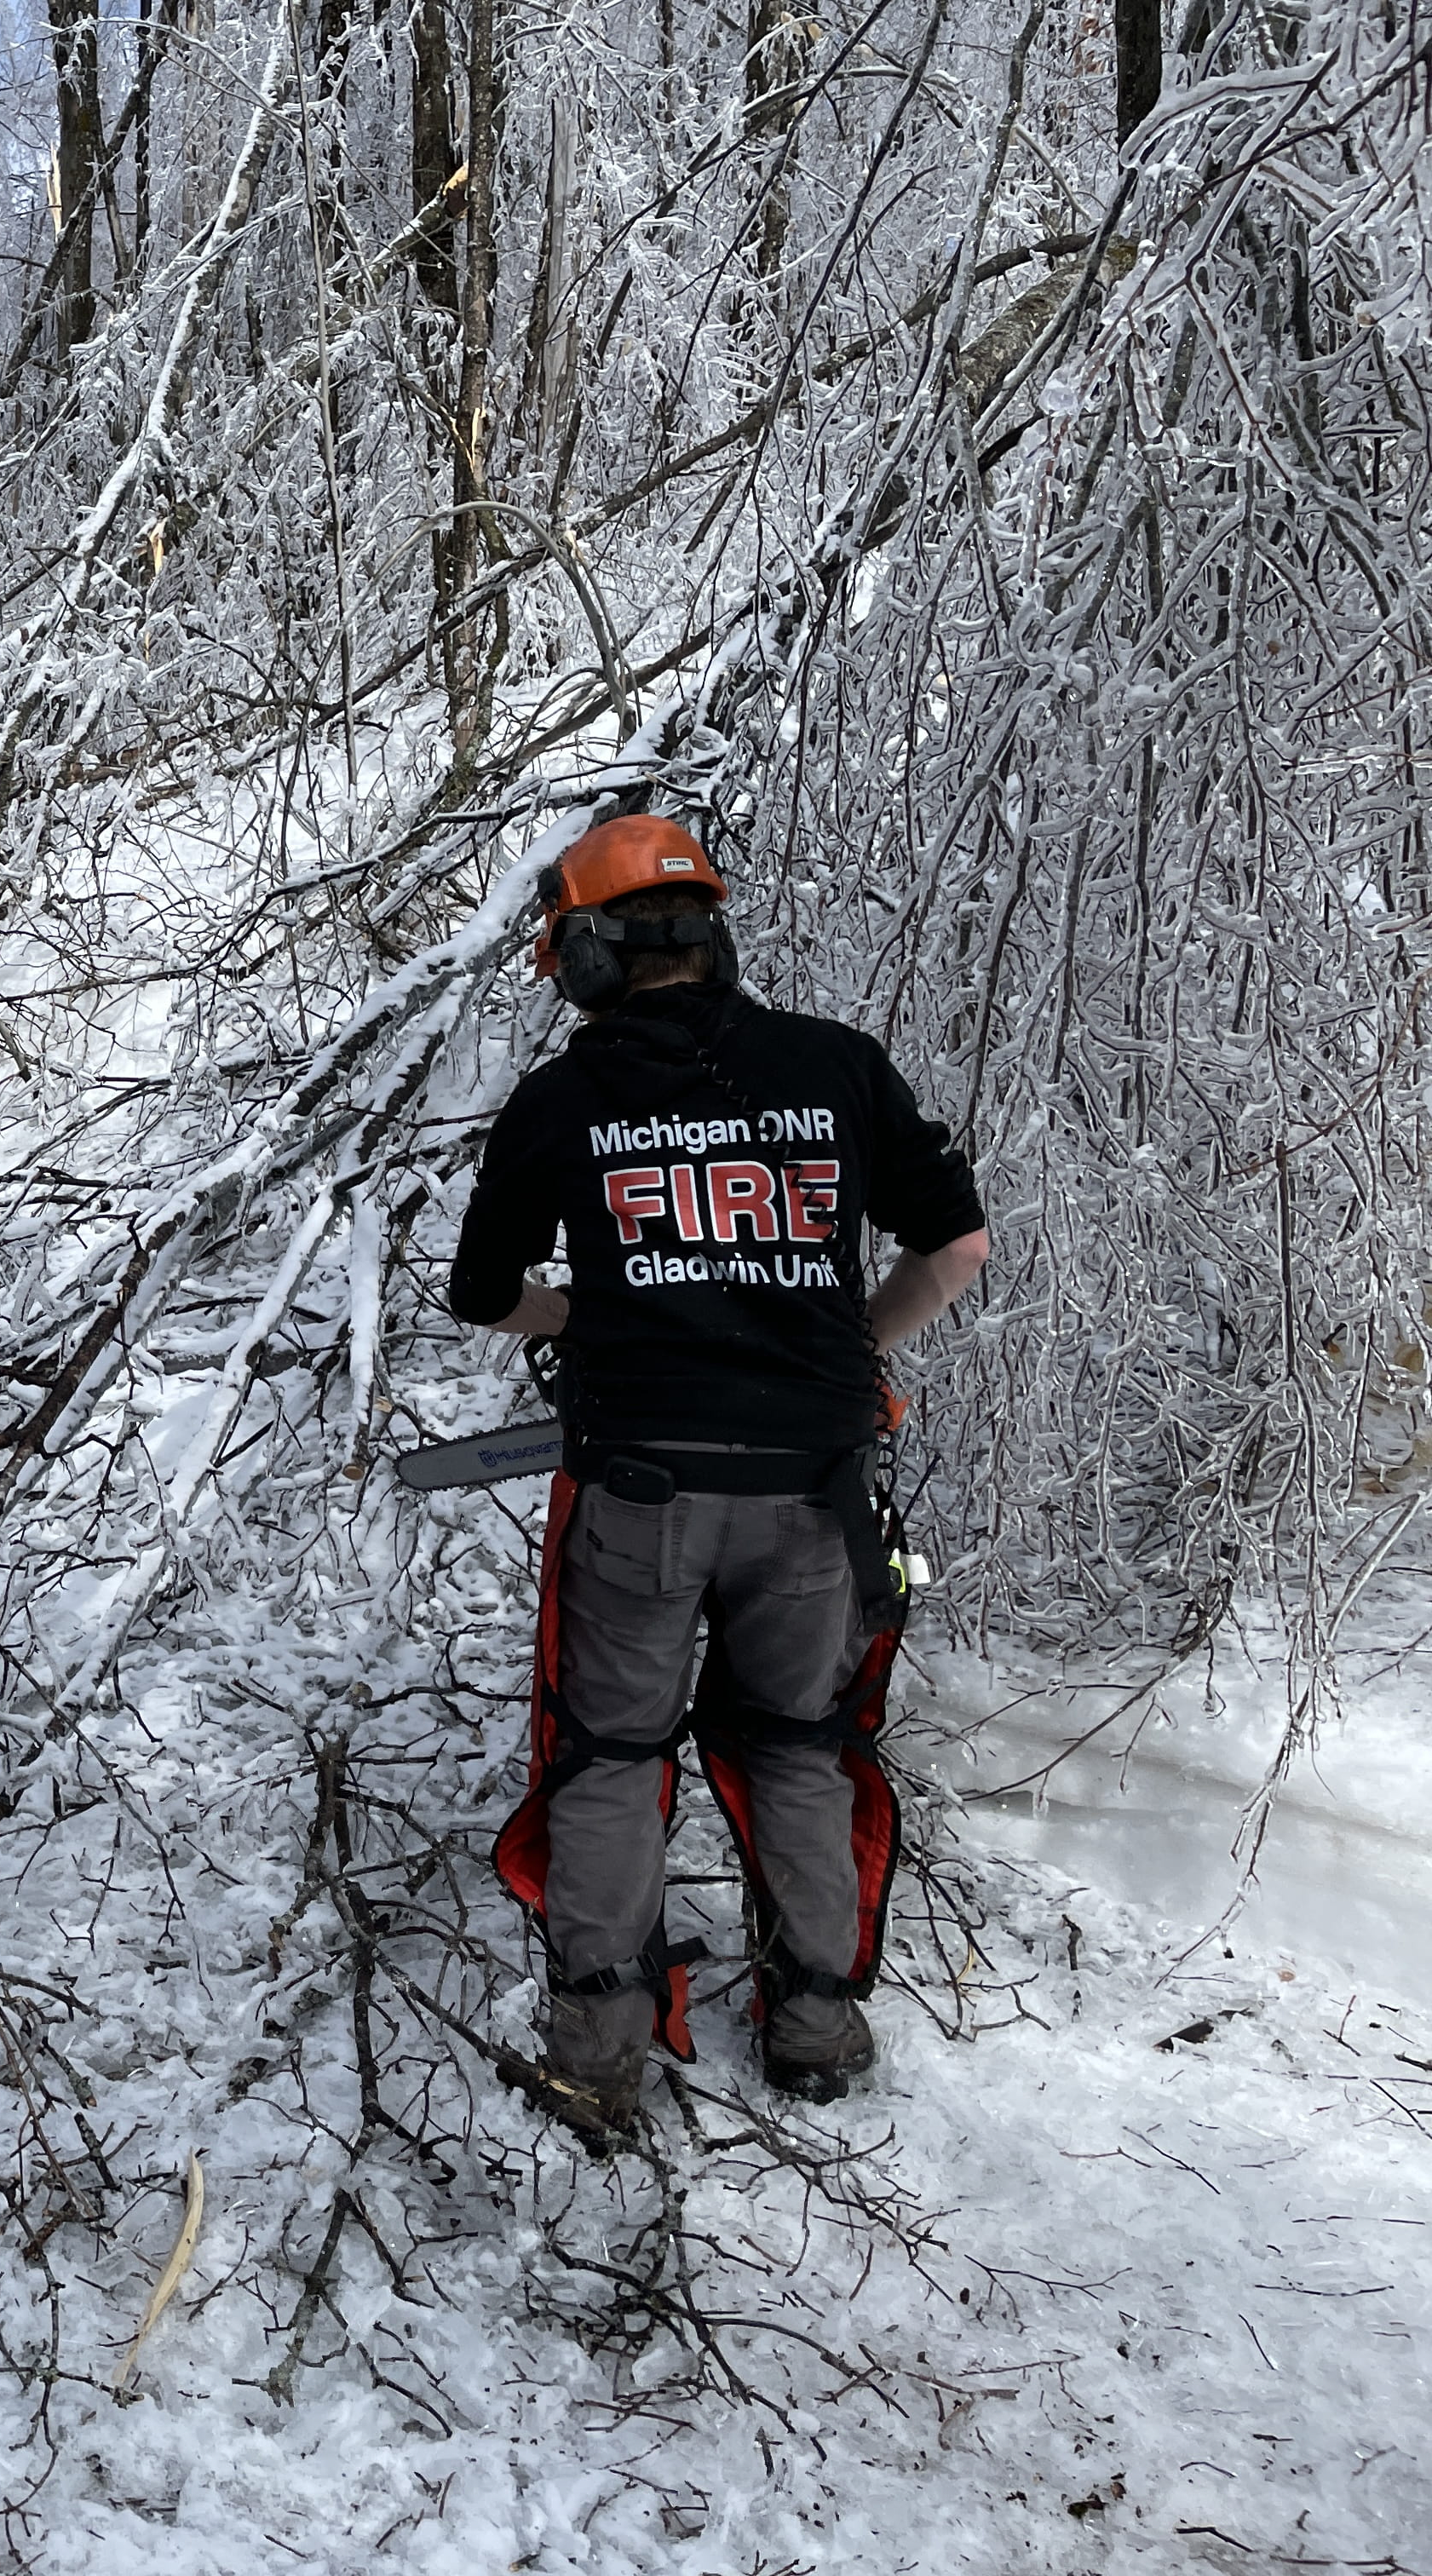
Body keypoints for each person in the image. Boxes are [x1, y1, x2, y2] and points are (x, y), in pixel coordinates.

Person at [445, 814, 989, 2129]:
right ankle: (814, 2028)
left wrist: (589, 1321)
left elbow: (481, 1291)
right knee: (804, 1748)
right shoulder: (838, 1066)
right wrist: (844, 1352)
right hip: (812, 1490)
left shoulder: (565, 1099)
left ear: (586, 958)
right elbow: (958, 1247)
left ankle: (599, 2053)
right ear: (711, 938)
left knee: (613, 1758)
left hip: (639, 1491)